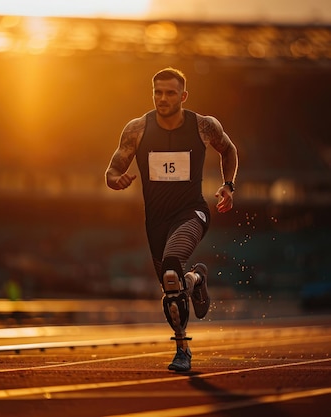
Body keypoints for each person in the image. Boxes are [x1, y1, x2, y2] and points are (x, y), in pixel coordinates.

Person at [105, 67, 238, 372]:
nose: (162, 99)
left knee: (170, 269)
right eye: (157, 92)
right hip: (156, 222)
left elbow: (228, 150)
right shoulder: (136, 129)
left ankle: (182, 352)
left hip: (192, 212)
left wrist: (228, 185)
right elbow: (112, 170)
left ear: (184, 96)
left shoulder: (203, 126)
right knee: (172, 288)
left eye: (170, 93)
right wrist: (117, 180)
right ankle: (197, 279)